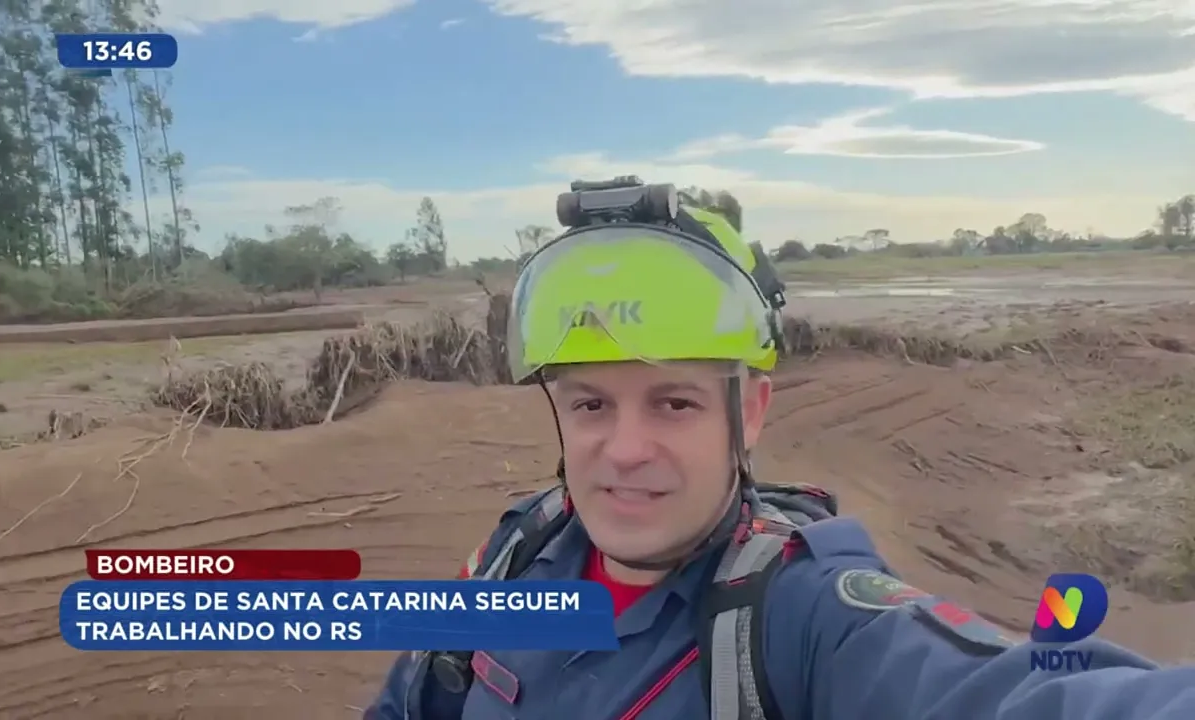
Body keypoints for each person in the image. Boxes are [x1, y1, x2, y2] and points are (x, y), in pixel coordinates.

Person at [365, 183, 1195, 720]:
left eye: (675, 403)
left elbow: (1026, 696)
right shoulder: (516, 556)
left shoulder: (798, 617)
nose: (625, 449)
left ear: (750, 412)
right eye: (590, 404)